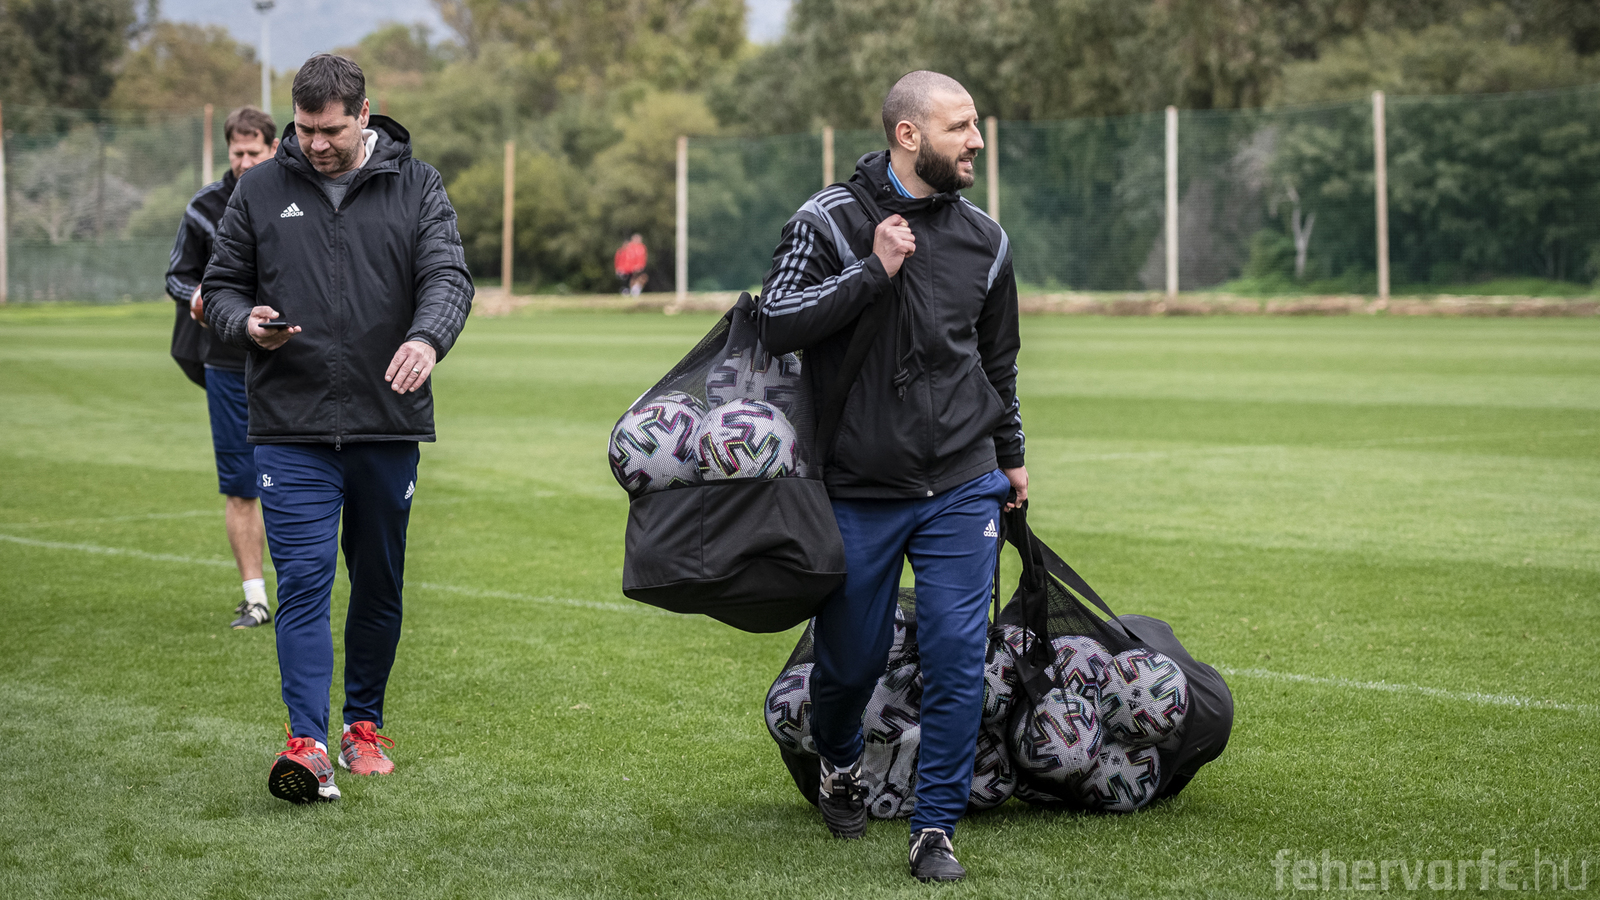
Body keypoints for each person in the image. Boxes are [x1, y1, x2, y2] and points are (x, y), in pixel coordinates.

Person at [756, 71, 1027, 883]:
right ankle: (840, 762)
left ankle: (933, 827)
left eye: (974, 125)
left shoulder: (987, 239)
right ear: (909, 136)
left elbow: (997, 363)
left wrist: (1011, 455)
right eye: (960, 126)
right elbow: (775, 321)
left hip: (962, 484)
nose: (976, 140)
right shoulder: (829, 220)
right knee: (849, 664)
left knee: (956, 654)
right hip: (857, 488)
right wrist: (872, 271)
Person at [203, 54, 474, 804]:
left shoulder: (418, 185)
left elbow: (448, 278)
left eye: (330, 130)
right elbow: (220, 289)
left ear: (363, 114)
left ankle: (362, 726)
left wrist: (427, 339)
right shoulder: (260, 189)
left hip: (387, 422)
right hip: (290, 427)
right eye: (304, 129)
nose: (316, 144)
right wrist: (245, 322)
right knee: (304, 581)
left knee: (378, 582)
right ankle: (308, 743)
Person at [166, 106, 280, 630]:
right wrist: (195, 296)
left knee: (297, 480)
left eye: (254, 151)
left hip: (288, 361)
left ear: (273, 148)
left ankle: (302, 593)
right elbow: (176, 274)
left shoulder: (296, 198)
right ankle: (255, 598)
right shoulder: (205, 207)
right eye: (237, 152)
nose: (245, 160)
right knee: (240, 483)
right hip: (227, 364)